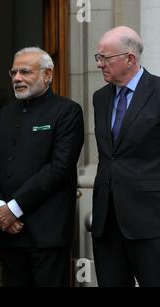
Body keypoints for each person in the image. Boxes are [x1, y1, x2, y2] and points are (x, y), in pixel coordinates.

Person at [0, 47, 84, 287]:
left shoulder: (67, 111)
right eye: (13, 72)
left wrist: (14, 208)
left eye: (25, 72)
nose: (17, 78)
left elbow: (59, 168)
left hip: (46, 234)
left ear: (47, 75)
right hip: (8, 231)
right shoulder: (5, 113)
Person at [92, 26, 160, 287]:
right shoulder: (100, 98)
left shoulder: (157, 91)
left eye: (105, 58)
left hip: (150, 222)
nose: (99, 64)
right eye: (97, 58)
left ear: (129, 59)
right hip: (107, 223)